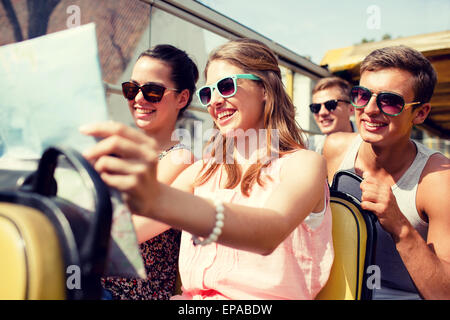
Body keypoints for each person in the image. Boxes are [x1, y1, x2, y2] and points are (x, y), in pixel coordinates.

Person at [81, 38, 334, 300]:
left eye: (226, 87)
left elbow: (268, 232)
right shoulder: (202, 173)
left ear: (265, 90)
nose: (214, 101)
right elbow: (128, 233)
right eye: (208, 93)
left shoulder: (305, 164)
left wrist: (155, 197)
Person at [323, 45, 450, 299]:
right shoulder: (335, 149)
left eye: (390, 101)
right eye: (361, 95)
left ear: (420, 113)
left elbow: (444, 293)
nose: (369, 109)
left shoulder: (438, 180)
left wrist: (400, 227)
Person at [101, 44, 198, 300]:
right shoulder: (119, 151)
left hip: (130, 292)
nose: (138, 99)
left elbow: (129, 233)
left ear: (182, 98)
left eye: (153, 91)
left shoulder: (181, 159)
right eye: (131, 89)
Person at [307, 77, 355, 154]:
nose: (322, 113)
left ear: (351, 109)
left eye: (330, 105)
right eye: (316, 107)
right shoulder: (308, 147)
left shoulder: (370, 145)